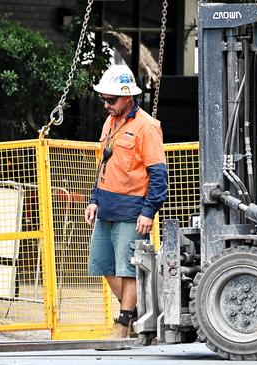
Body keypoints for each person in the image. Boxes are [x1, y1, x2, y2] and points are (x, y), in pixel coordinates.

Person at [84, 64, 168, 337]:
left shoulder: (148, 127)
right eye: (103, 99)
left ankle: (123, 324)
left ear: (128, 98)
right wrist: (94, 198)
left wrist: (148, 211)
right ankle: (136, 315)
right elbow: (104, 165)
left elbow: (158, 175)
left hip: (132, 209)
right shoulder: (111, 123)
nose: (106, 105)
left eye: (111, 99)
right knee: (104, 266)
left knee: (128, 269)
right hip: (106, 206)